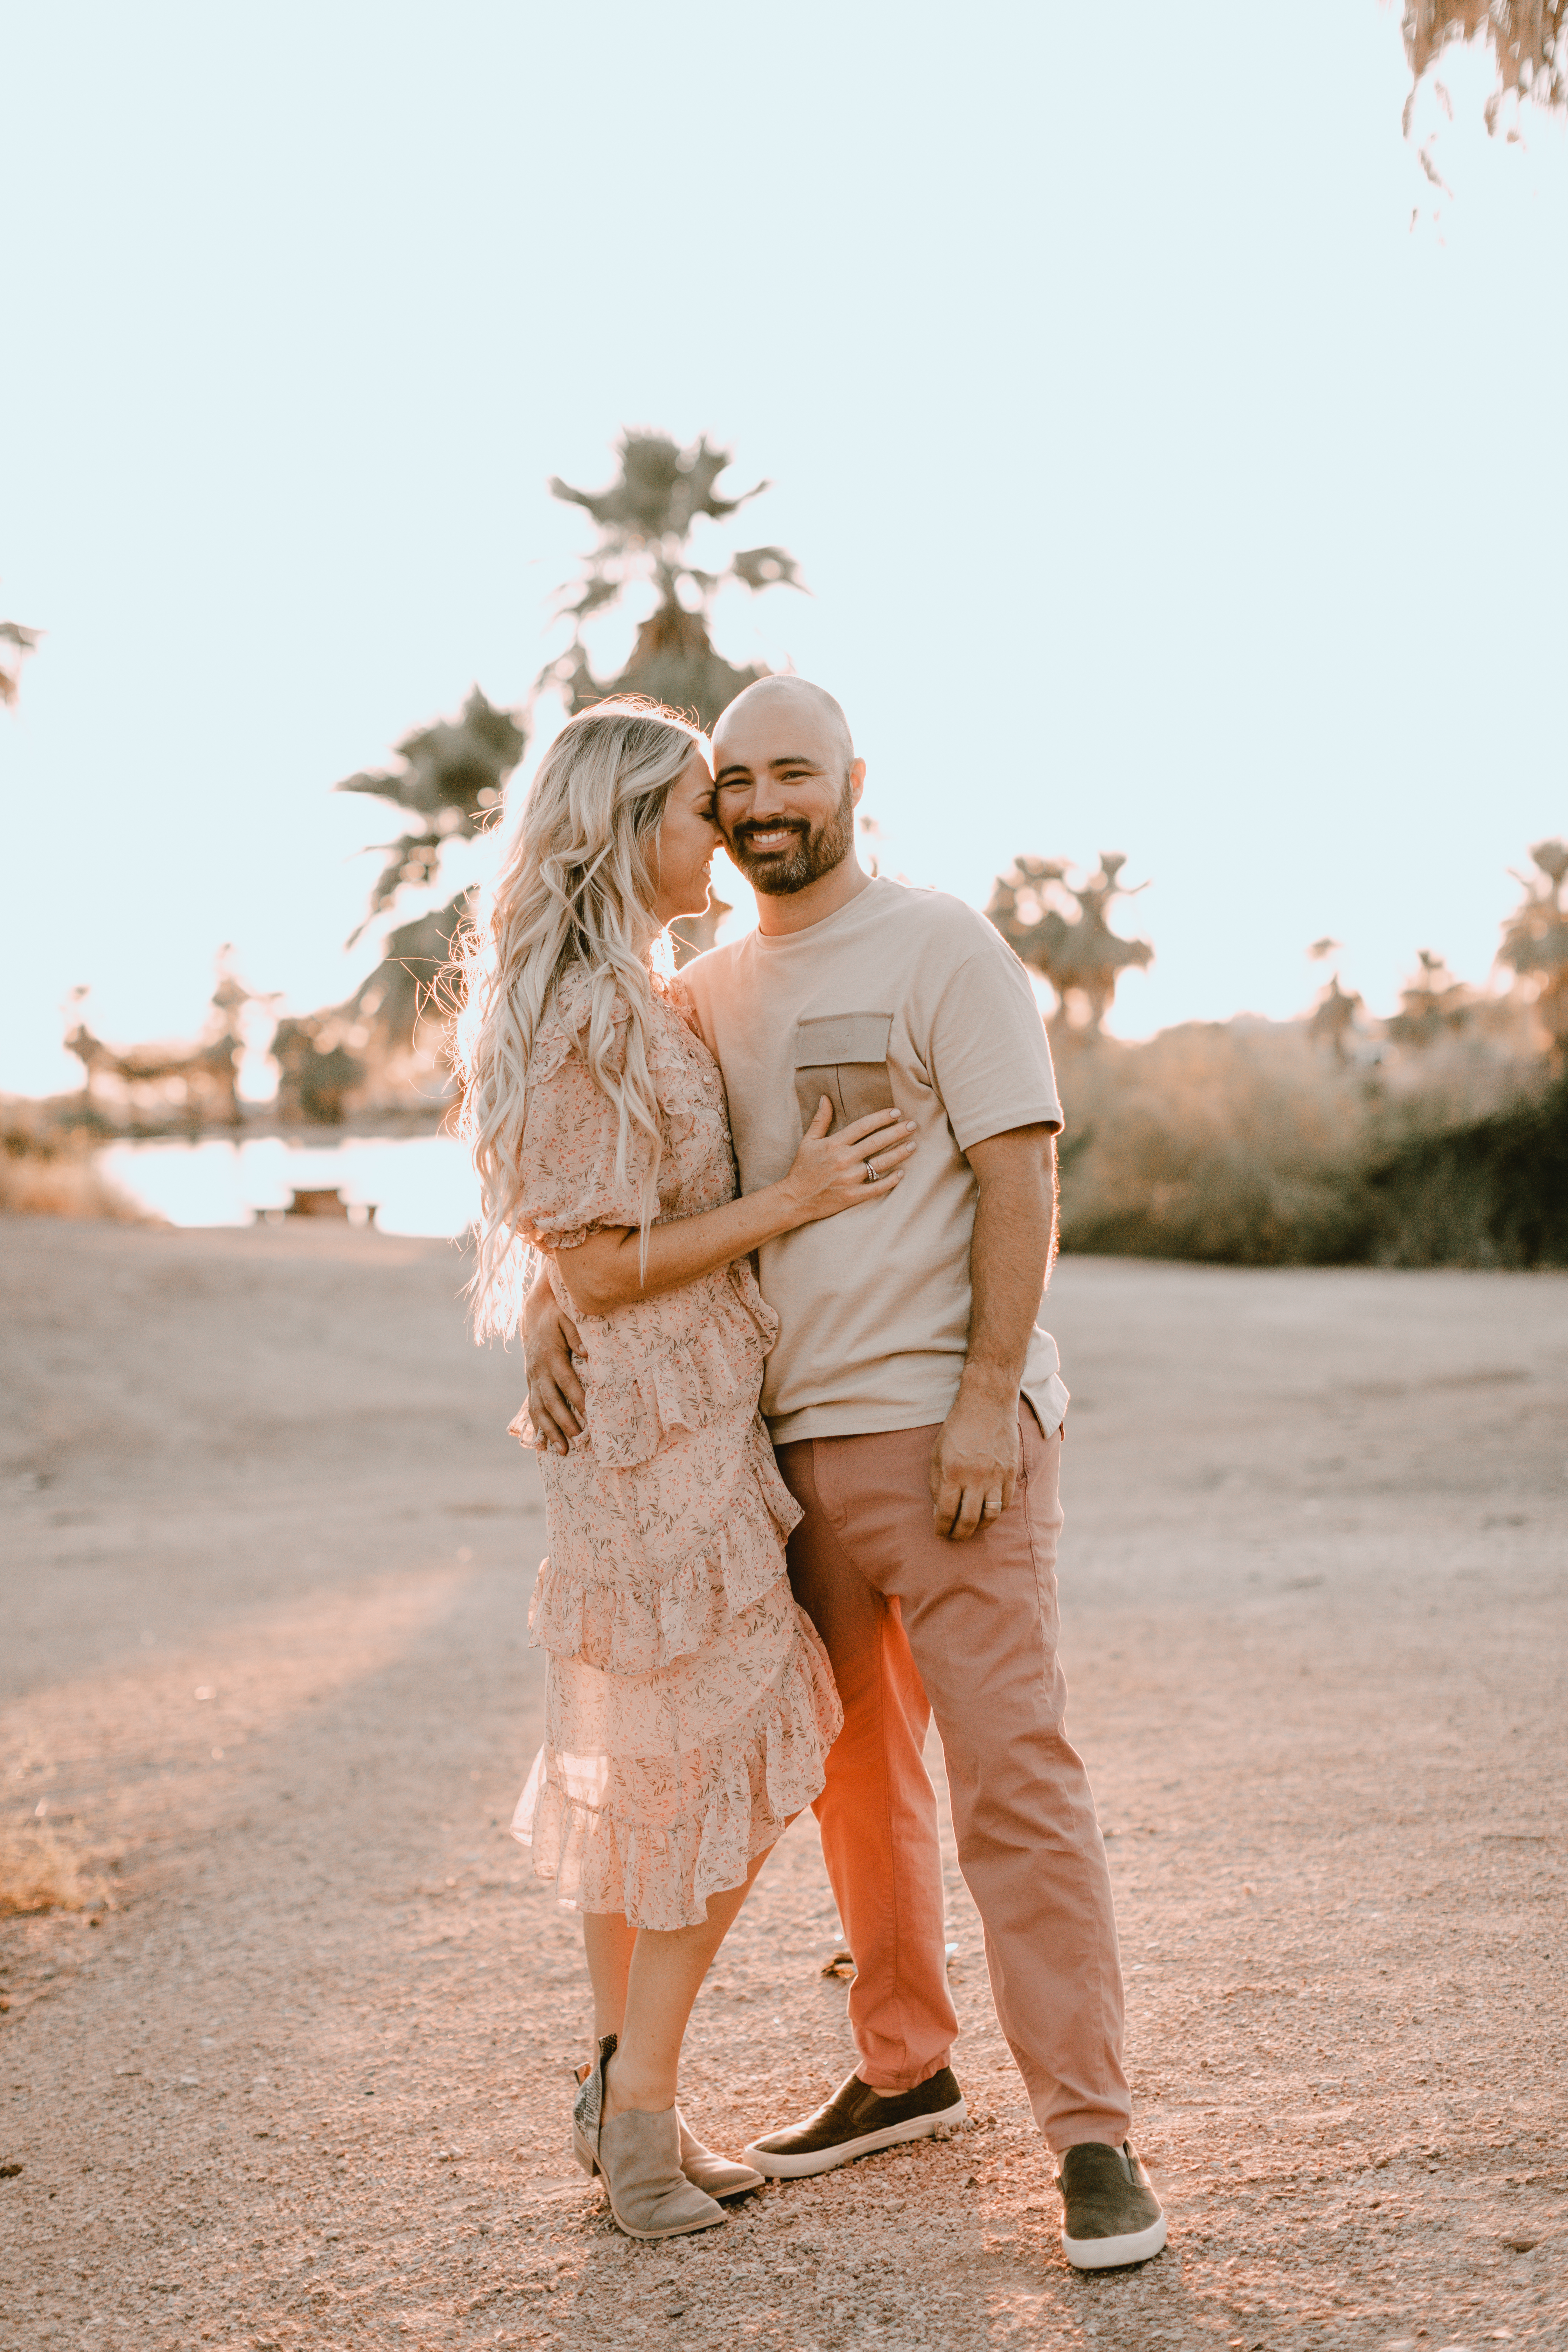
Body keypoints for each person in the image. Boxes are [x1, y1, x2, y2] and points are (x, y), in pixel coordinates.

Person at [525, 677, 1166, 2271]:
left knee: (1015, 1783)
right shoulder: (704, 992)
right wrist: (554, 1290)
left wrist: (980, 1399)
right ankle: (902, 2067)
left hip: (948, 1444)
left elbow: (1020, 1173)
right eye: (730, 781)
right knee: (852, 1783)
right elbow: (629, 1180)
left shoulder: (945, 946)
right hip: (778, 1462)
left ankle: (1092, 2143)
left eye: (789, 772)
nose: (756, 805)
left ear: (854, 783)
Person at [451, 697, 917, 2244]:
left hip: (680, 1412)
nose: (718, 829)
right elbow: (594, 1262)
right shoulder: (594, 1006)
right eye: (692, 810)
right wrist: (788, 1201)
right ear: (622, 830)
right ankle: (640, 2111)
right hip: (657, 1436)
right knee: (736, 1740)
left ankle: (622, 2103)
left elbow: (567, 1241)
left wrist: (545, 1298)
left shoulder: (626, 993)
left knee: (657, 1767)